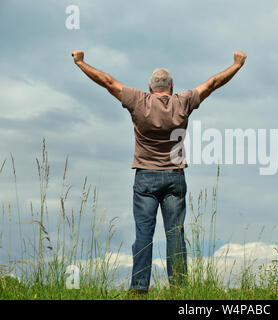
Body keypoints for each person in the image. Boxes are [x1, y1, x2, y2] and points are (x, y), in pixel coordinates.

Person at [71, 49, 247, 293]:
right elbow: (213, 83)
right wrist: (236, 65)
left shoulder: (137, 100)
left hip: (145, 176)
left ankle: (139, 290)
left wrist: (81, 62)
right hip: (175, 177)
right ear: (171, 87)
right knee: (175, 234)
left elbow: (107, 82)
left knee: (144, 234)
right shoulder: (182, 101)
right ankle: (179, 289)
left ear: (150, 87)